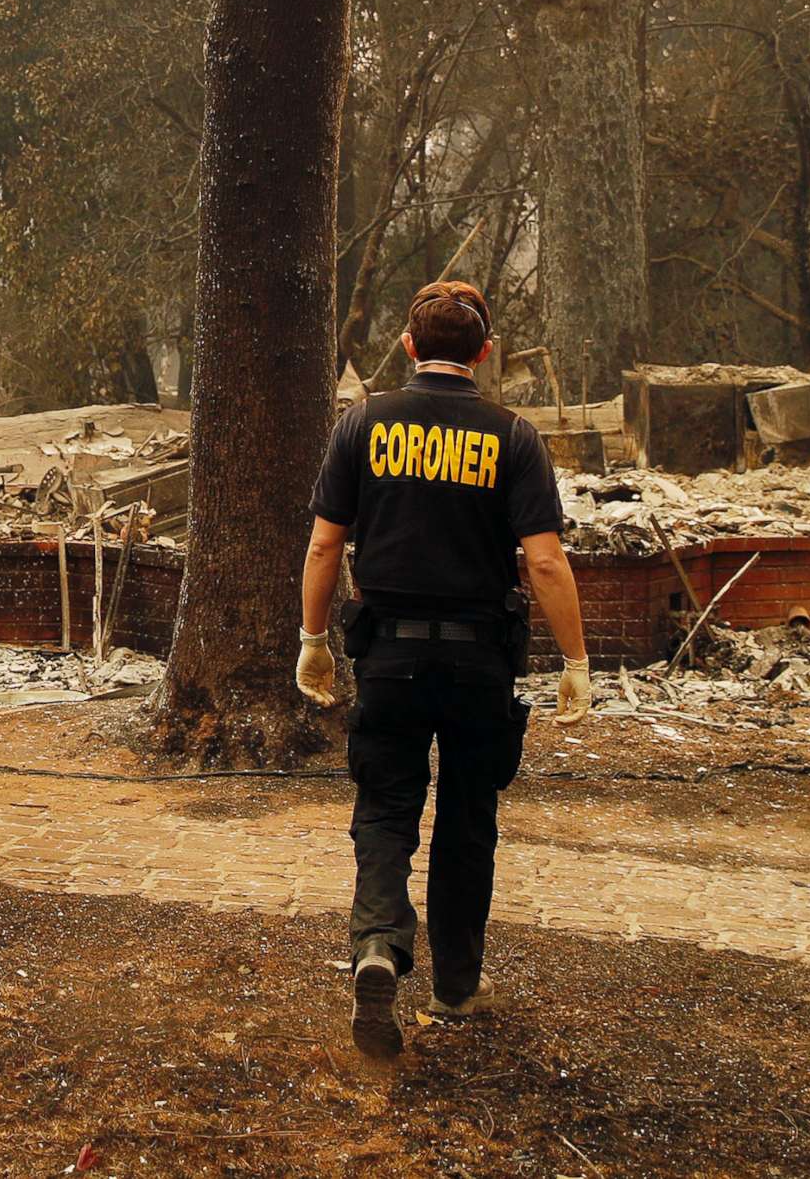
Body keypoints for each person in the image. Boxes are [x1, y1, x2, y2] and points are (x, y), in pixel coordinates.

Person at [294, 278, 592, 1059]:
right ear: (485, 353)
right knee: (467, 817)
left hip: (386, 653)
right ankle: (455, 985)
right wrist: (576, 660)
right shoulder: (515, 437)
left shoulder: (362, 423)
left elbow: (326, 544)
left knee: (386, 808)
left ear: (408, 346)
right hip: (478, 662)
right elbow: (547, 561)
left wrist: (313, 639)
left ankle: (378, 947)